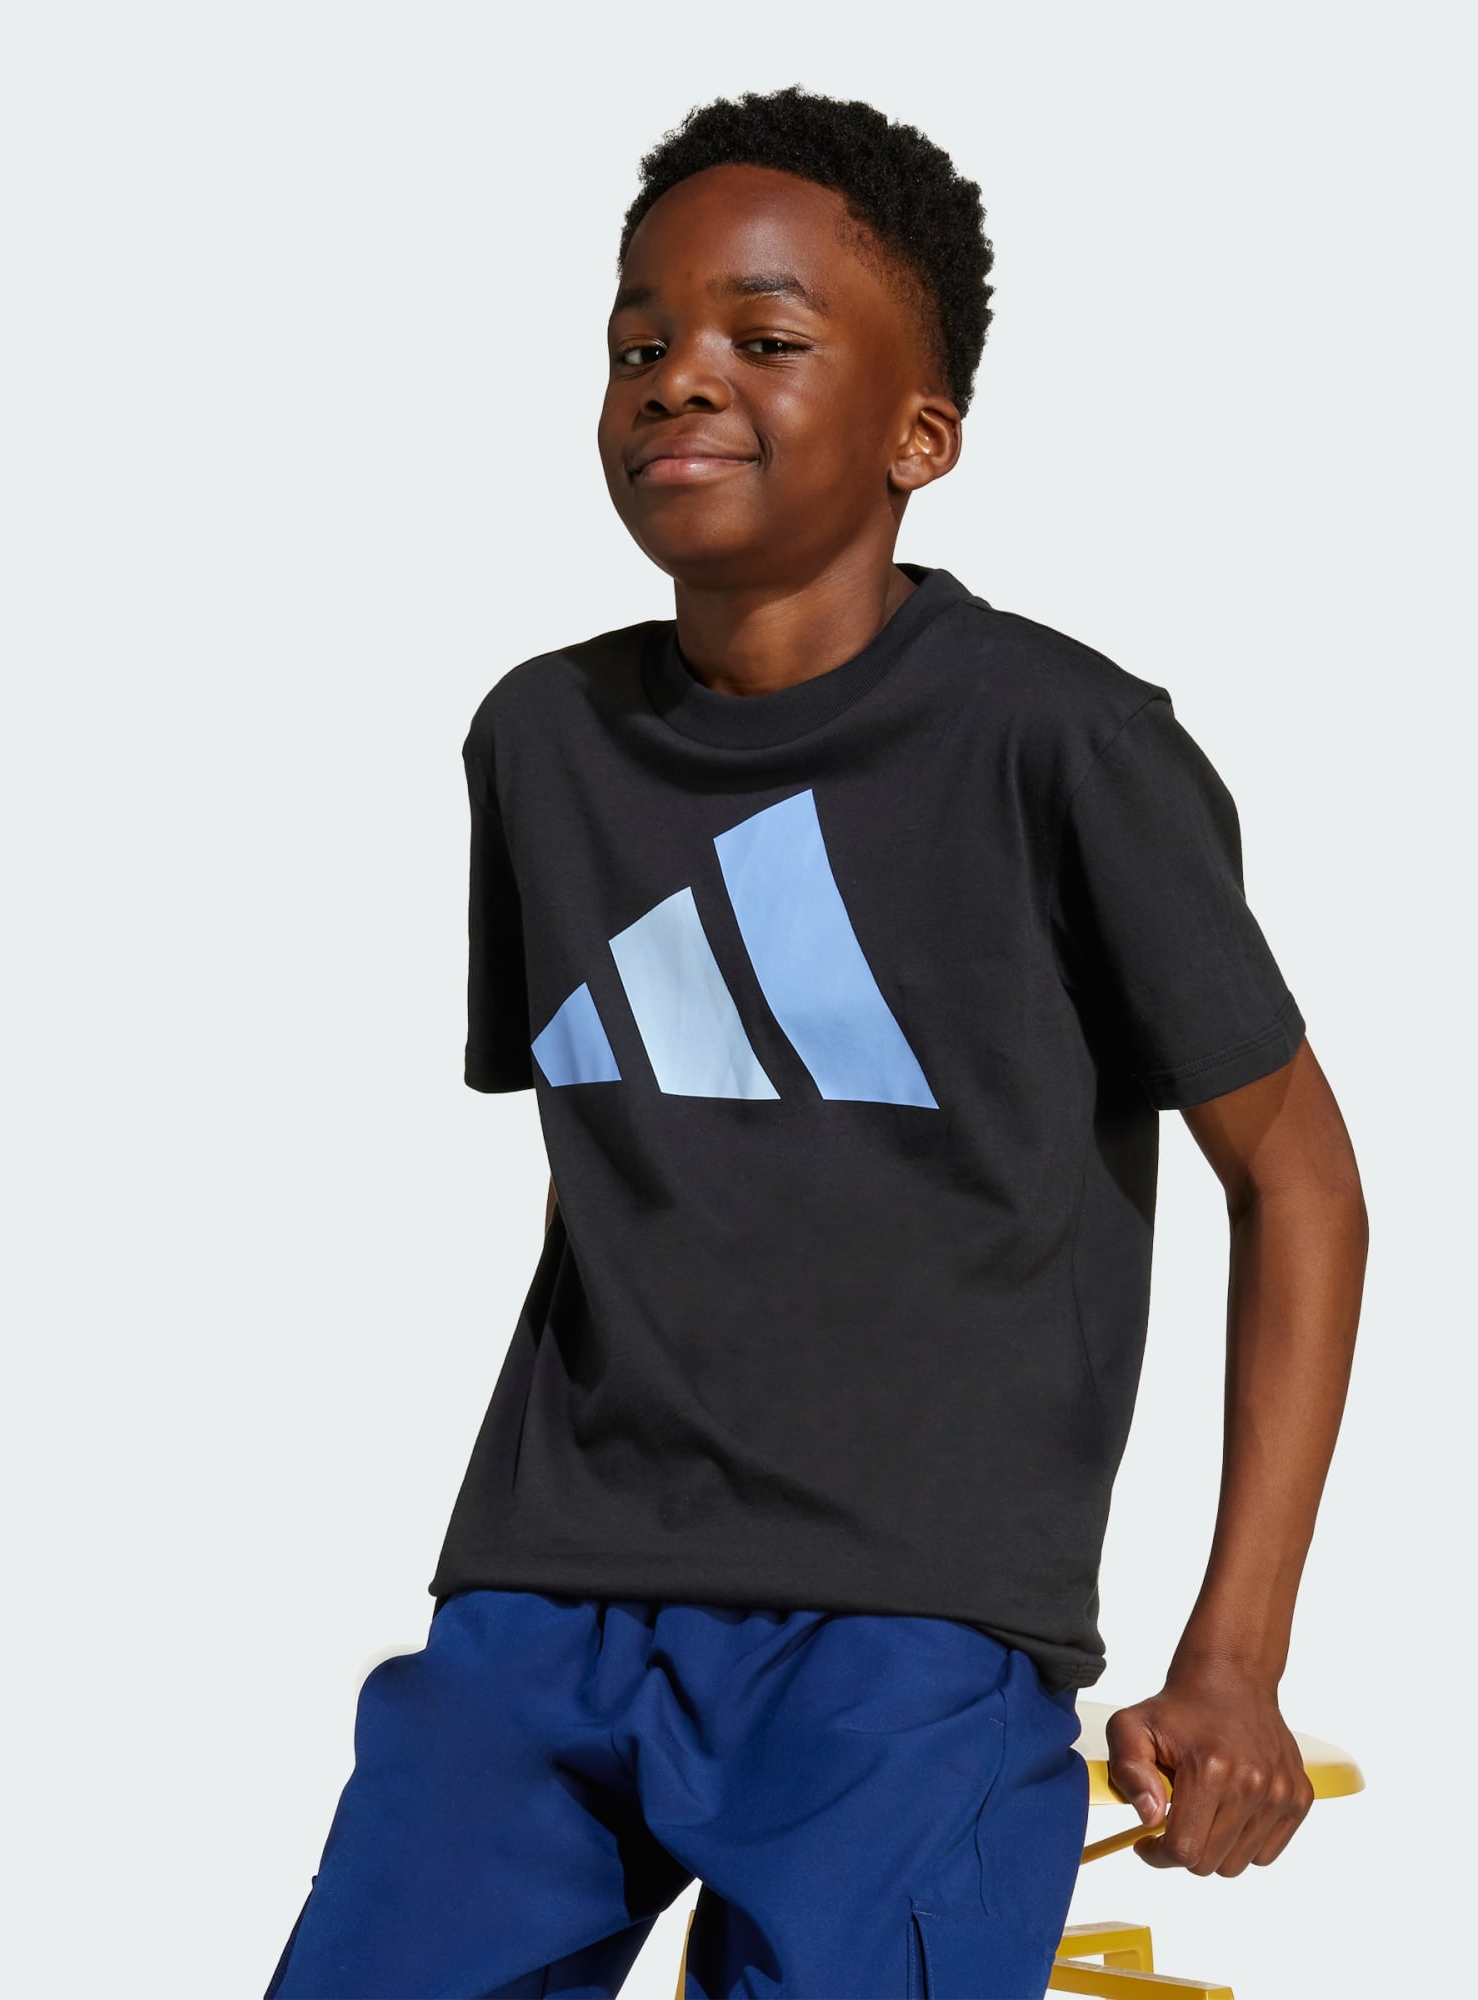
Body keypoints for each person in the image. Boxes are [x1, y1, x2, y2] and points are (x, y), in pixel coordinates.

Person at [266, 83, 1369, 2000]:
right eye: (640, 343)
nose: (682, 377)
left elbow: (1299, 1180)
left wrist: (1236, 1657)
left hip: (910, 1636)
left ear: (921, 435)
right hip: (546, 1602)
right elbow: (622, 1147)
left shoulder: (1063, 744)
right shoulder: (539, 740)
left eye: (765, 340)